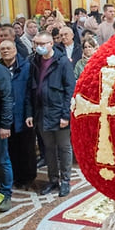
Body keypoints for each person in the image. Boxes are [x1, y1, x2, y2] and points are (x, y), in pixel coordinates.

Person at [25, 31, 75, 197]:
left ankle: (65, 180)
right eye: (36, 44)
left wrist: (66, 115)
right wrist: (30, 113)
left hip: (58, 111)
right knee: (49, 149)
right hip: (41, 113)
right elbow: (30, 90)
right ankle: (53, 180)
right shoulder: (33, 62)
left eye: (42, 44)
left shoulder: (62, 62)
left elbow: (70, 90)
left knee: (64, 148)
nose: (39, 47)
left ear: (51, 44)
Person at [0, 39, 36, 190]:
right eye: (2, 49)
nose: (5, 51)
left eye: (8, 48)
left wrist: (29, 113)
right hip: (5, 115)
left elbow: (29, 93)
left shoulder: (26, 66)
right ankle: (15, 177)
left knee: (26, 147)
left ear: (15, 50)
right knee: (11, 148)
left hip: (23, 112)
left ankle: (27, 177)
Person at [0, 55, 14, 211]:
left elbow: (7, 100)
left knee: (2, 160)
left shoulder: (0, 71)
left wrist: (5, 125)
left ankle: (6, 192)